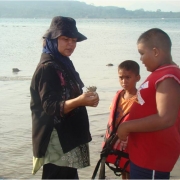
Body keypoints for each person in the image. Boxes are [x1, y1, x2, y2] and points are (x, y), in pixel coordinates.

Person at [30, 16, 99, 179]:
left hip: (67, 136)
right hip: (56, 139)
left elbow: (69, 94)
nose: (71, 44)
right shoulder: (47, 68)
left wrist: (87, 99)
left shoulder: (63, 62)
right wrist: (80, 101)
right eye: (65, 39)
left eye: (74, 40)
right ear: (52, 40)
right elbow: (50, 106)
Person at [117, 28, 180, 179]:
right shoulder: (159, 73)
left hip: (153, 160)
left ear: (156, 52)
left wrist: (126, 126)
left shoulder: (168, 76)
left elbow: (166, 118)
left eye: (142, 53)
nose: (141, 59)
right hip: (143, 155)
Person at [102, 60, 140, 179]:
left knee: (130, 171)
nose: (124, 81)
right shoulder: (118, 95)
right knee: (122, 169)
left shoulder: (140, 99)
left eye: (128, 77)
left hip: (131, 142)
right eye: (121, 78)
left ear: (137, 78)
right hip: (116, 140)